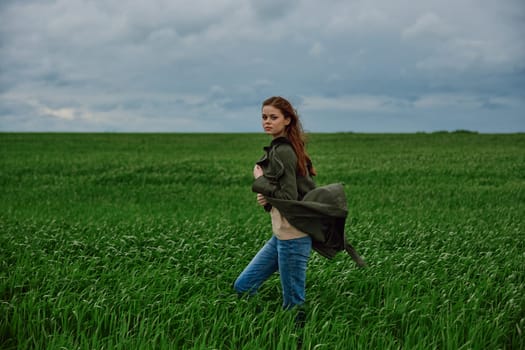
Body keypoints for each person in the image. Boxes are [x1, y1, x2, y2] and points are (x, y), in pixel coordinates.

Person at [233, 96, 317, 310]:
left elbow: (288, 198)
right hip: (280, 235)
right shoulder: (282, 147)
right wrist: (268, 200)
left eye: (273, 117)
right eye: (264, 117)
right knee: (243, 286)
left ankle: (298, 339)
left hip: (293, 237)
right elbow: (288, 194)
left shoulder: (283, 151)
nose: (267, 121)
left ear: (287, 120)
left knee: (293, 305)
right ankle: (258, 326)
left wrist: (260, 182)